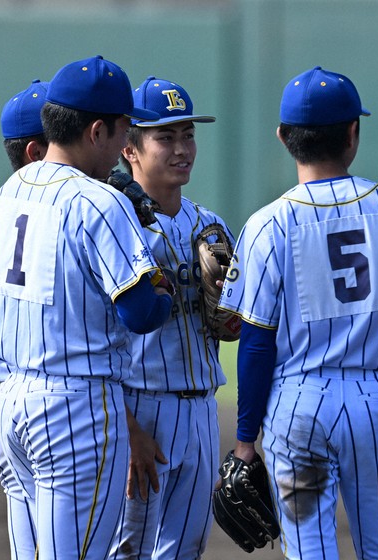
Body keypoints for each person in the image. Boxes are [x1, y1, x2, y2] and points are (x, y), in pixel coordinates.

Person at [217, 66, 378, 559]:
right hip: (376, 401)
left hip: (298, 406)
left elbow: (257, 343)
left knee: (309, 551)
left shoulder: (268, 224)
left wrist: (246, 439)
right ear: (353, 133)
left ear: (283, 137)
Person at [0, 55, 173, 560]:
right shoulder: (98, 201)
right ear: (96, 131)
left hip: (7, 409)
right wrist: (167, 291)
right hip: (73, 411)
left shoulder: (8, 192)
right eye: (122, 132)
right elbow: (140, 313)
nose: (123, 148)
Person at [109, 75, 235, 559]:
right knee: (127, 549)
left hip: (202, 406)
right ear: (130, 149)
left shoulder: (211, 224)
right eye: (166, 136)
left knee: (186, 550)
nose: (182, 148)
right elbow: (95, 335)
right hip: (139, 405)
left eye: (188, 134)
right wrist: (126, 429)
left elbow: (229, 328)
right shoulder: (114, 223)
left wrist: (228, 312)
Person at [0, 78, 50, 559]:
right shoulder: (68, 208)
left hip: (4, 406)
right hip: (54, 404)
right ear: (34, 151)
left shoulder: (3, 205)